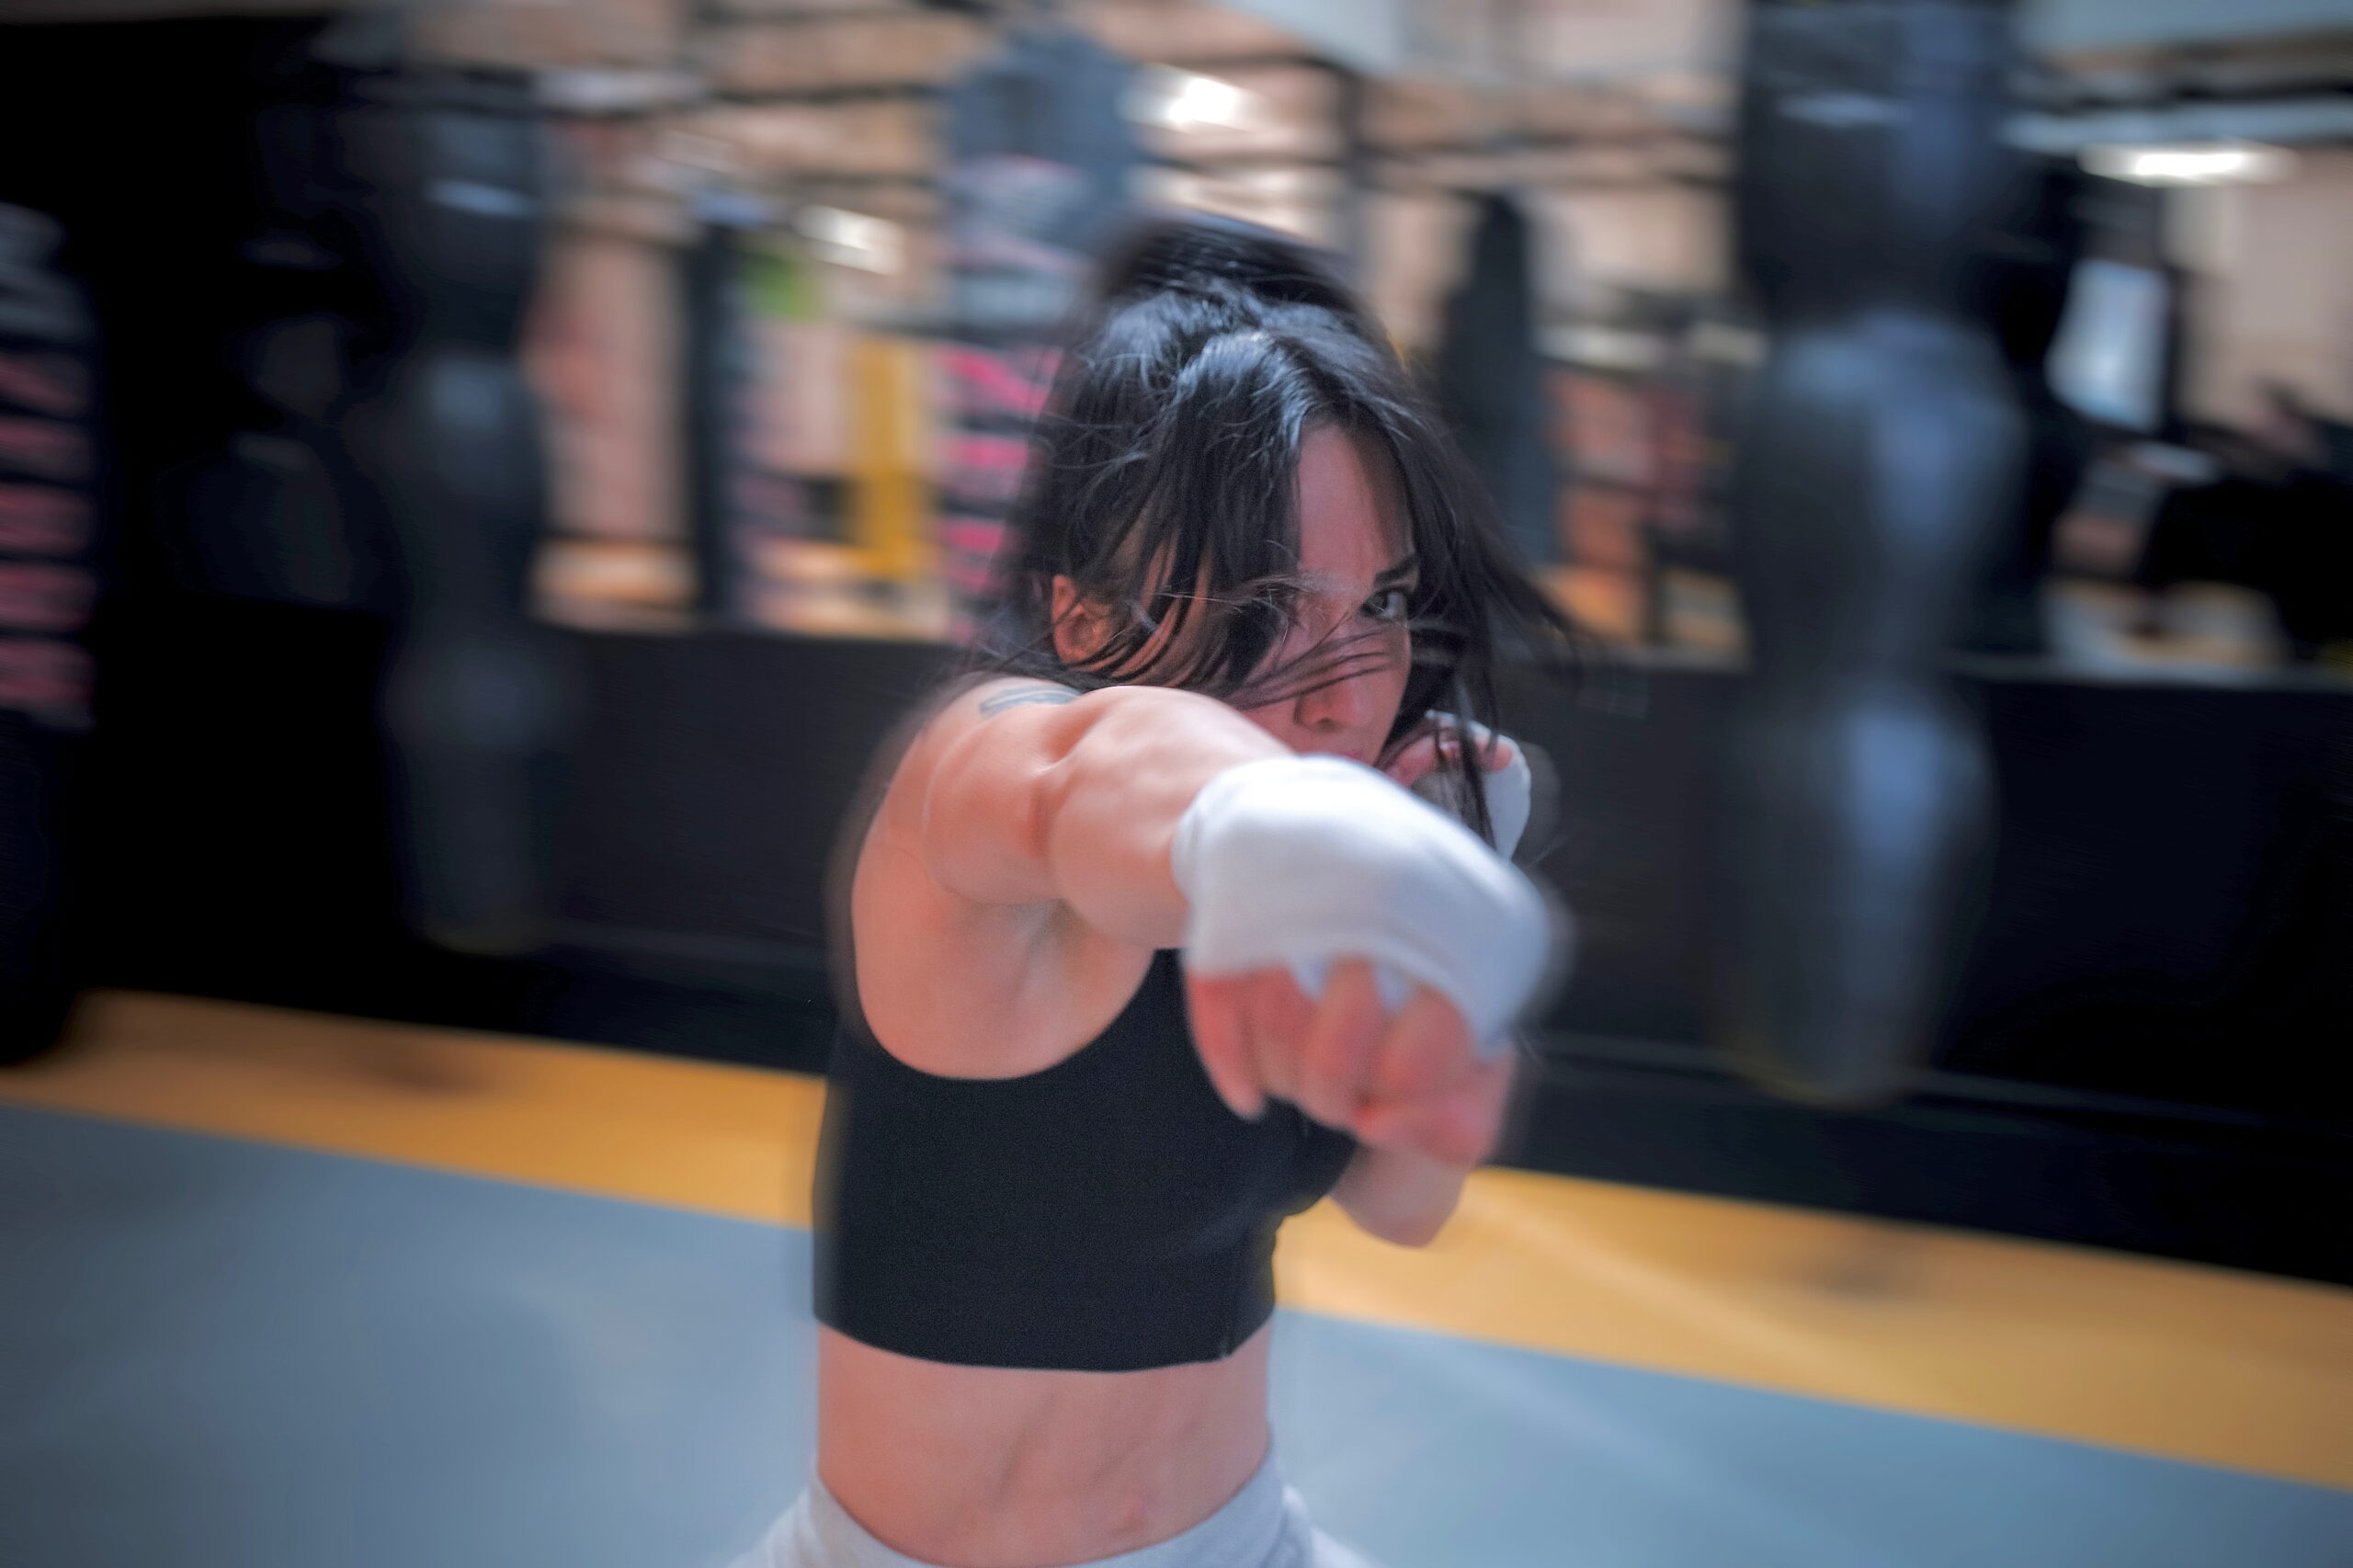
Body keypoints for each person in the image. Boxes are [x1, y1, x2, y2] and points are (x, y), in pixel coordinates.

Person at [736, 214, 1584, 1568]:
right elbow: (1100, 769)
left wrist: (1428, 963)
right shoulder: (981, 778)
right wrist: (1289, 831)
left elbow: (1403, 1203)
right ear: (1081, 619)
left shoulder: (1319, 852)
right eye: (1273, 603)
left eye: (1378, 606)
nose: (1351, 680)